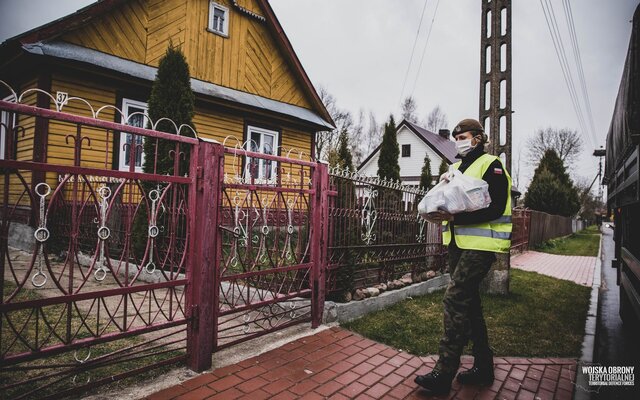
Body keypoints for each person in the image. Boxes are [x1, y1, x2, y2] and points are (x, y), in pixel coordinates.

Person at [414, 118, 512, 395]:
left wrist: (455, 215)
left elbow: (494, 208)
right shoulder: (454, 168)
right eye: (455, 137)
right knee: (470, 304)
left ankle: (443, 373)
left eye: (463, 136)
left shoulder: (491, 164)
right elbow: (447, 201)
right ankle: (483, 367)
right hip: (457, 243)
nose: (458, 141)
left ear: (478, 138)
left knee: (455, 297)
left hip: (482, 246)